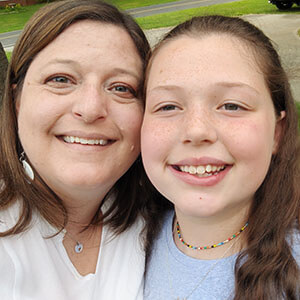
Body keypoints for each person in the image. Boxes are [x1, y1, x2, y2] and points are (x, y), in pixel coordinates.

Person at [141, 15, 300, 299]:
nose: (197, 130)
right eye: (167, 106)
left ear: (277, 132)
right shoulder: (118, 246)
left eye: (231, 105)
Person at [0, 0, 150, 299]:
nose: (91, 109)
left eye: (121, 87)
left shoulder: (167, 220)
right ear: (17, 101)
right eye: (61, 80)